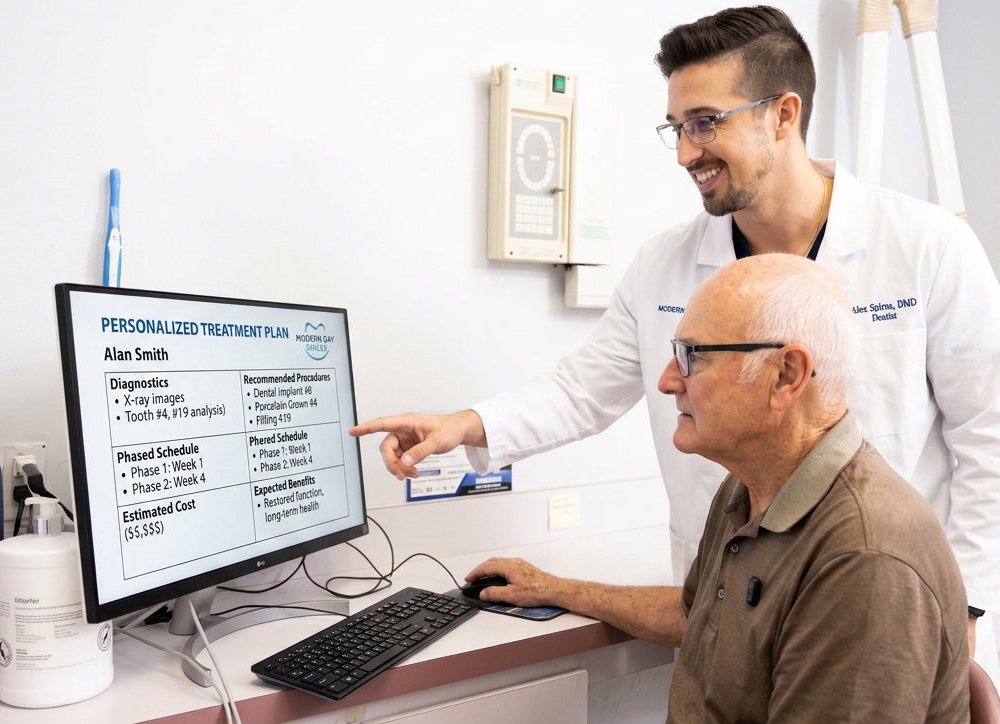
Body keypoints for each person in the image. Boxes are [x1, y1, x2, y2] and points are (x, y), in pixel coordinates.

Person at [350, 6, 1000, 654]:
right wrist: (462, 425)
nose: (687, 152)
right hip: (726, 612)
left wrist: (963, 604)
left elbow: (990, 437)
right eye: (678, 127)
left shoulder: (928, 247)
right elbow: (584, 390)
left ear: (783, 114)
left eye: (706, 123)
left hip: (885, 612)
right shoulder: (664, 264)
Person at [465, 254, 971, 723]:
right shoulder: (748, 488)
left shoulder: (864, 559)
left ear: (785, 375)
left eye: (693, 357)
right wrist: (555, 590)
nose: (666, 381)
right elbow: (697, 616)